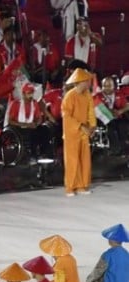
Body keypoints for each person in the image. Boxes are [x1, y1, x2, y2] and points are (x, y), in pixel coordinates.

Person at [61, 68, 96, 197]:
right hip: (72, 133)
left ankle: (82, 186)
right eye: (86, 81)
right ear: (79, 82)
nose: (88, 83)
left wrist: (92, 126)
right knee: (72, 160)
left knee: (84, 160)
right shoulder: (69, 96)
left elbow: (91, 111)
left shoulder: (87, 95)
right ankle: (70, 187)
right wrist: (80, 126)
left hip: (84, 133)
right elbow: (66, 116)